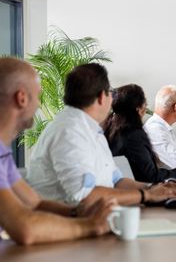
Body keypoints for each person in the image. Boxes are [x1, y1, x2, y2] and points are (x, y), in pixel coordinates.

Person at [27, 63, 176, 209]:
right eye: (110, 93)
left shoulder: (92, 130)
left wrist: (156, 189)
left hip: (94, 218)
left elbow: (116, 180)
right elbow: (84, 198)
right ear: (102, 97)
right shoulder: (69, 132)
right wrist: (147, 195)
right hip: (65, 227)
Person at [0, 57, 115, 245]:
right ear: (22, 98)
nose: (38, 104)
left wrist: (77, 212)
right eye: (37, 96)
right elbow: (24, 228)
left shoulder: (2, 153)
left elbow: (35, 203)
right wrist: (90, 225)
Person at [103, 84, 176, 183]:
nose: (146, 108)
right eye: (145, 103)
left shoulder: (110, 131)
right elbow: (151, 177)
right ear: (138, 109)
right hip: (139, 192)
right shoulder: (134, 135)